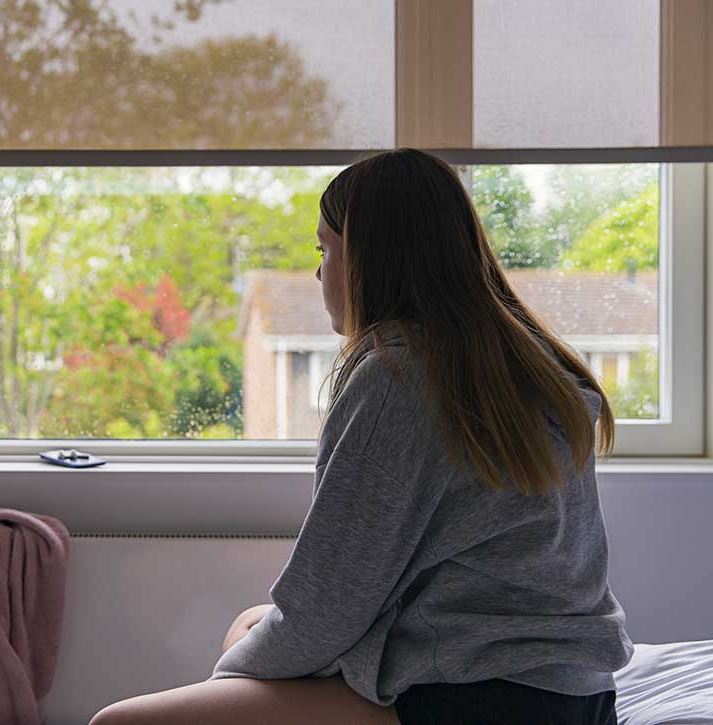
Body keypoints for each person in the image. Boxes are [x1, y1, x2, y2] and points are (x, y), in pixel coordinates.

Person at [90, 148, 633, 724]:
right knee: (251, 626)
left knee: (119, 722)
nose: (320, 271)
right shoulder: (533, 367)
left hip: (474, 699)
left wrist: (227, 691)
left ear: (374, 258)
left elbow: (323, 614)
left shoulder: (399, 378)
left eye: (325, 248)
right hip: (577, 695)